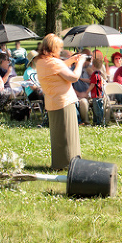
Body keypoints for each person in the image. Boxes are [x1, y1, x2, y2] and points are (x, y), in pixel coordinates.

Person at [36, 33, 88, 169]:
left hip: (53, 102)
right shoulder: (53, 63)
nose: (59, 51)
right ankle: (70, 164)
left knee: (58, 137)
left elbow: (57, 68)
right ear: (52, 48)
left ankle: (60, 163)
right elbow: (73, 77)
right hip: (64, 102)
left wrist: (71, 60)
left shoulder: (41, 62)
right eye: (58, 48)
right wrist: (80, 63)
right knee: (68, 136)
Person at [87, 56, 106, 125]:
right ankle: (96, 121)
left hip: (96, 94)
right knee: (98, 108)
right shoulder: (99, 74)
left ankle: (100, 122)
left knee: (97, 109)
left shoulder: (95, 74)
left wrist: (87, 92)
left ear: (93, 65)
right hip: (100, 94)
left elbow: (92, 84)